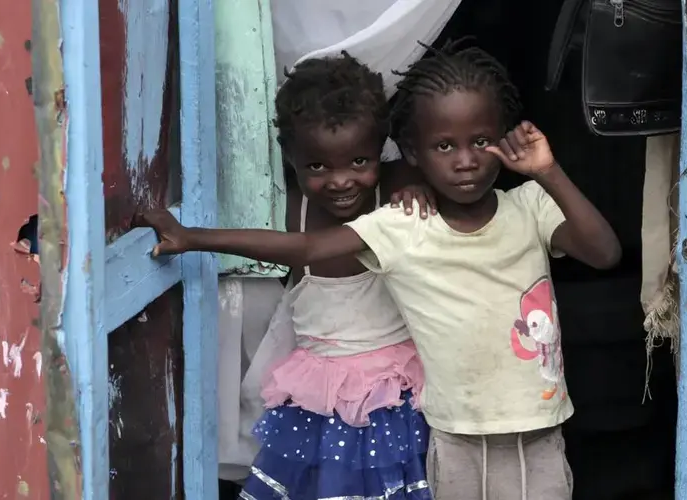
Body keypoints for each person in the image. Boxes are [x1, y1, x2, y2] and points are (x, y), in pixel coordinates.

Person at [141, 42, 622, 500]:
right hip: (452, 434)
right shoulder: (402, 225)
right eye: (444, 147)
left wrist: (547, 171)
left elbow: (604, 254)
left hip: (538, 427)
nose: (466, 161)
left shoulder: (527, 205)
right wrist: (194, 237)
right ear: (412, 152)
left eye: (480, 141)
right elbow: (306, 246)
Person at [152, 52, 435, 499]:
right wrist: (189, 237)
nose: (341, 181)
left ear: (382, 148)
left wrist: (415, 183)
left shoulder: (396, 192)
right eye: (318, 167)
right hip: (316, 401)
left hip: (388, 399)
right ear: (290, 157)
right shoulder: (290, 206)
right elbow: (293, 247)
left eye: (359, 162)